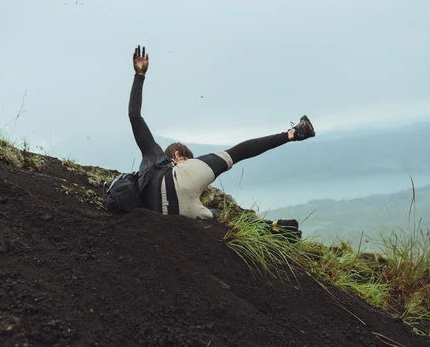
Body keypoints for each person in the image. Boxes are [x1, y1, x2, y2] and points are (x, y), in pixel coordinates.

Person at [128, 45, 315, 235]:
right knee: (234, 154)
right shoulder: (162, 158)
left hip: (172, 213)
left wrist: (139, 75)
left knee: (219, 220)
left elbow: (134, 116)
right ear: (176, 155)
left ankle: (276, 227)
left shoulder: (144, 170)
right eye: (187, 158)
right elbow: (135, 116)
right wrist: (140, 75)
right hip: (175, 183)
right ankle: (294, 133)